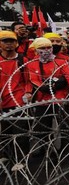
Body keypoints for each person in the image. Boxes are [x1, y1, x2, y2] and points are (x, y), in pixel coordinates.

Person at [26, 37, 69, 156]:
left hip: (60, 99)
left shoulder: (60, 62)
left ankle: (68, 152)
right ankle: (47, 151)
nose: (46, 50)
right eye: (42, 48)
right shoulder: (32, 64)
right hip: (42, 100)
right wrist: (44, 87)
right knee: (42, 128)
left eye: (49, 47)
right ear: (36, 50)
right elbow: (33, 79)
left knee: (66, 127)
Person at [0, 31, 32, 171]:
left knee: (20, 131)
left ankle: (21, 159)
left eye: (11, 41)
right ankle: (6, 155)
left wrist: (28, 92)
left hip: (18, 99)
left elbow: (28, 80)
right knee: (5, 131)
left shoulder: (22, 59)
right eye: (5, 41)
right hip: (2, 100)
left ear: (16, 43)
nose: (9, 44)